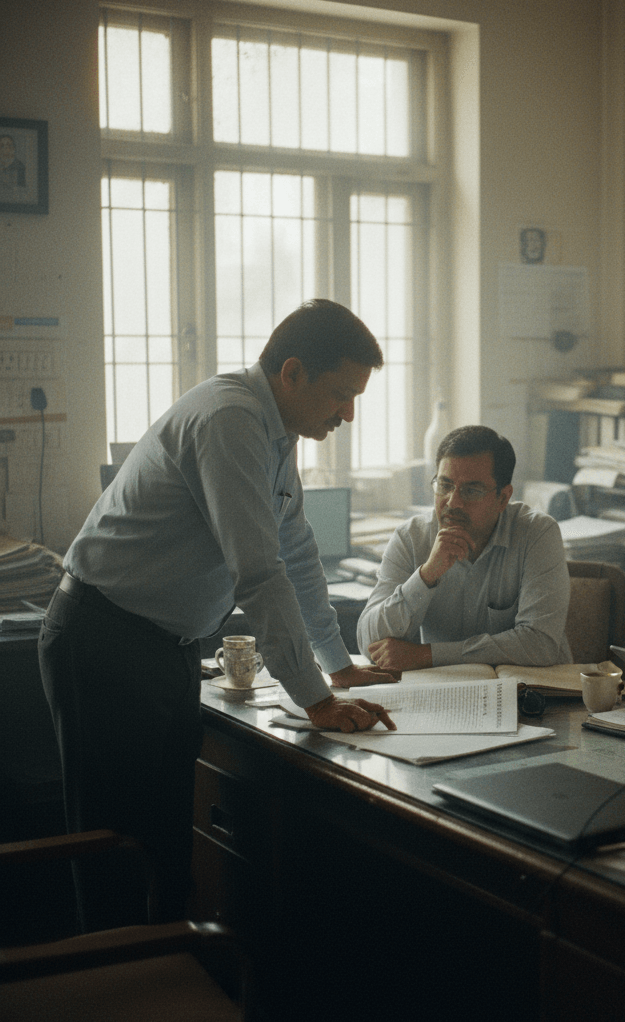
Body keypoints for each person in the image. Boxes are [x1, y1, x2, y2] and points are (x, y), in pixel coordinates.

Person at [38, 299, 396, 931]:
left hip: (162, 647)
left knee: (166, 849)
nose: (347, 413)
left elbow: (297, 551)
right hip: (104, 640)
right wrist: (315, 700)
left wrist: (337, 665)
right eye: (340, 394)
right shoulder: (230, 419)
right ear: (292, 373)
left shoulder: (276, 430)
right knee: (116, 851)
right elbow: (258, 574)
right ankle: (114, 991)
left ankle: (164, 982)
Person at [357, 425, 572, 672]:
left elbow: (540, 644)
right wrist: (426, 576)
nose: (453, 502)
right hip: (446, 696)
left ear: (503, 498)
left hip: (534, 697)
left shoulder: (537, 533)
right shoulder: (410, 538)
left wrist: (429, 655)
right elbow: (368, 641)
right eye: (445, 485)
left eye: (472, 490)